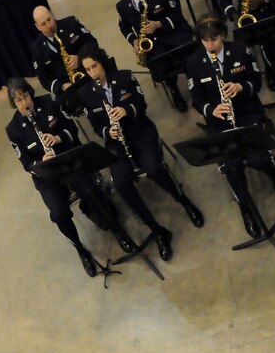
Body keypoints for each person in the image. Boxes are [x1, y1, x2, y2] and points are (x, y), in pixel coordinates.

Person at [77, 45, 204, 262]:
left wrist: (126, 110)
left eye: (94, 66)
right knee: (120, 182)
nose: (92, 73)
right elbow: (97, 126)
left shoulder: (125, 78)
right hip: (116, 142)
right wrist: (110, 131)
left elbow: (141, 105)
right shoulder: (86, 94)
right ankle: (157, 230)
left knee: (154, 168)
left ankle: (182, 200)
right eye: (87, 70)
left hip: (139, 131)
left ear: (102, 62)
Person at [5, 78, 135, 277]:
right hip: (46, 173)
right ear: (14, 103)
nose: (24, 103)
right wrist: (42, 160)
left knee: (91, 190)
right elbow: (26, 163)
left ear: (30, 93)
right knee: (58, 213)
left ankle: (116, 229)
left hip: (68, 159)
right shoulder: (13, 130)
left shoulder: (49, 103)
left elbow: (71, 130)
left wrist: (57, 138)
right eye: (18, 101)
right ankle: (81, 251)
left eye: (25, 96)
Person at [185, 17, 275, 237]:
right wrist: (212, 110)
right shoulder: (194, 63)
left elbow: (256, 84)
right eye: (206, 41)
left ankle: (272, 167)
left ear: (222, 35)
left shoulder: (240, 51)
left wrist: (240, 86)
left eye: (215, 39)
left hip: (247, 111)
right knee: (231, 165)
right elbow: (197, 100)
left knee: (256, 158)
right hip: (220, 120)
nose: (211, 45)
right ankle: (246, 207)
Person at [115, 0, 193, 111]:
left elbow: (177, 14)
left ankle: (194, 85)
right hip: (152, 45)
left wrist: (159, 24)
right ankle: (174, 90)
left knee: (188, 56)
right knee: (161, 65)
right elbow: (124, 27)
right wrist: (134, 40)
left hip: (171, 35)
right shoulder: (122, 6)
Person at [29, 5, 98, 114]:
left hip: (88, 73)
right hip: (67, 86)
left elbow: (93, 43)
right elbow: (44, 80)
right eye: (43, 24)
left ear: (52, 14)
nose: (49, 25)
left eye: (49, 19)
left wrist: (80, 58)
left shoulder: (71, 23)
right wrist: (62, 86)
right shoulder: (36, 48)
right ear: (38, 27)